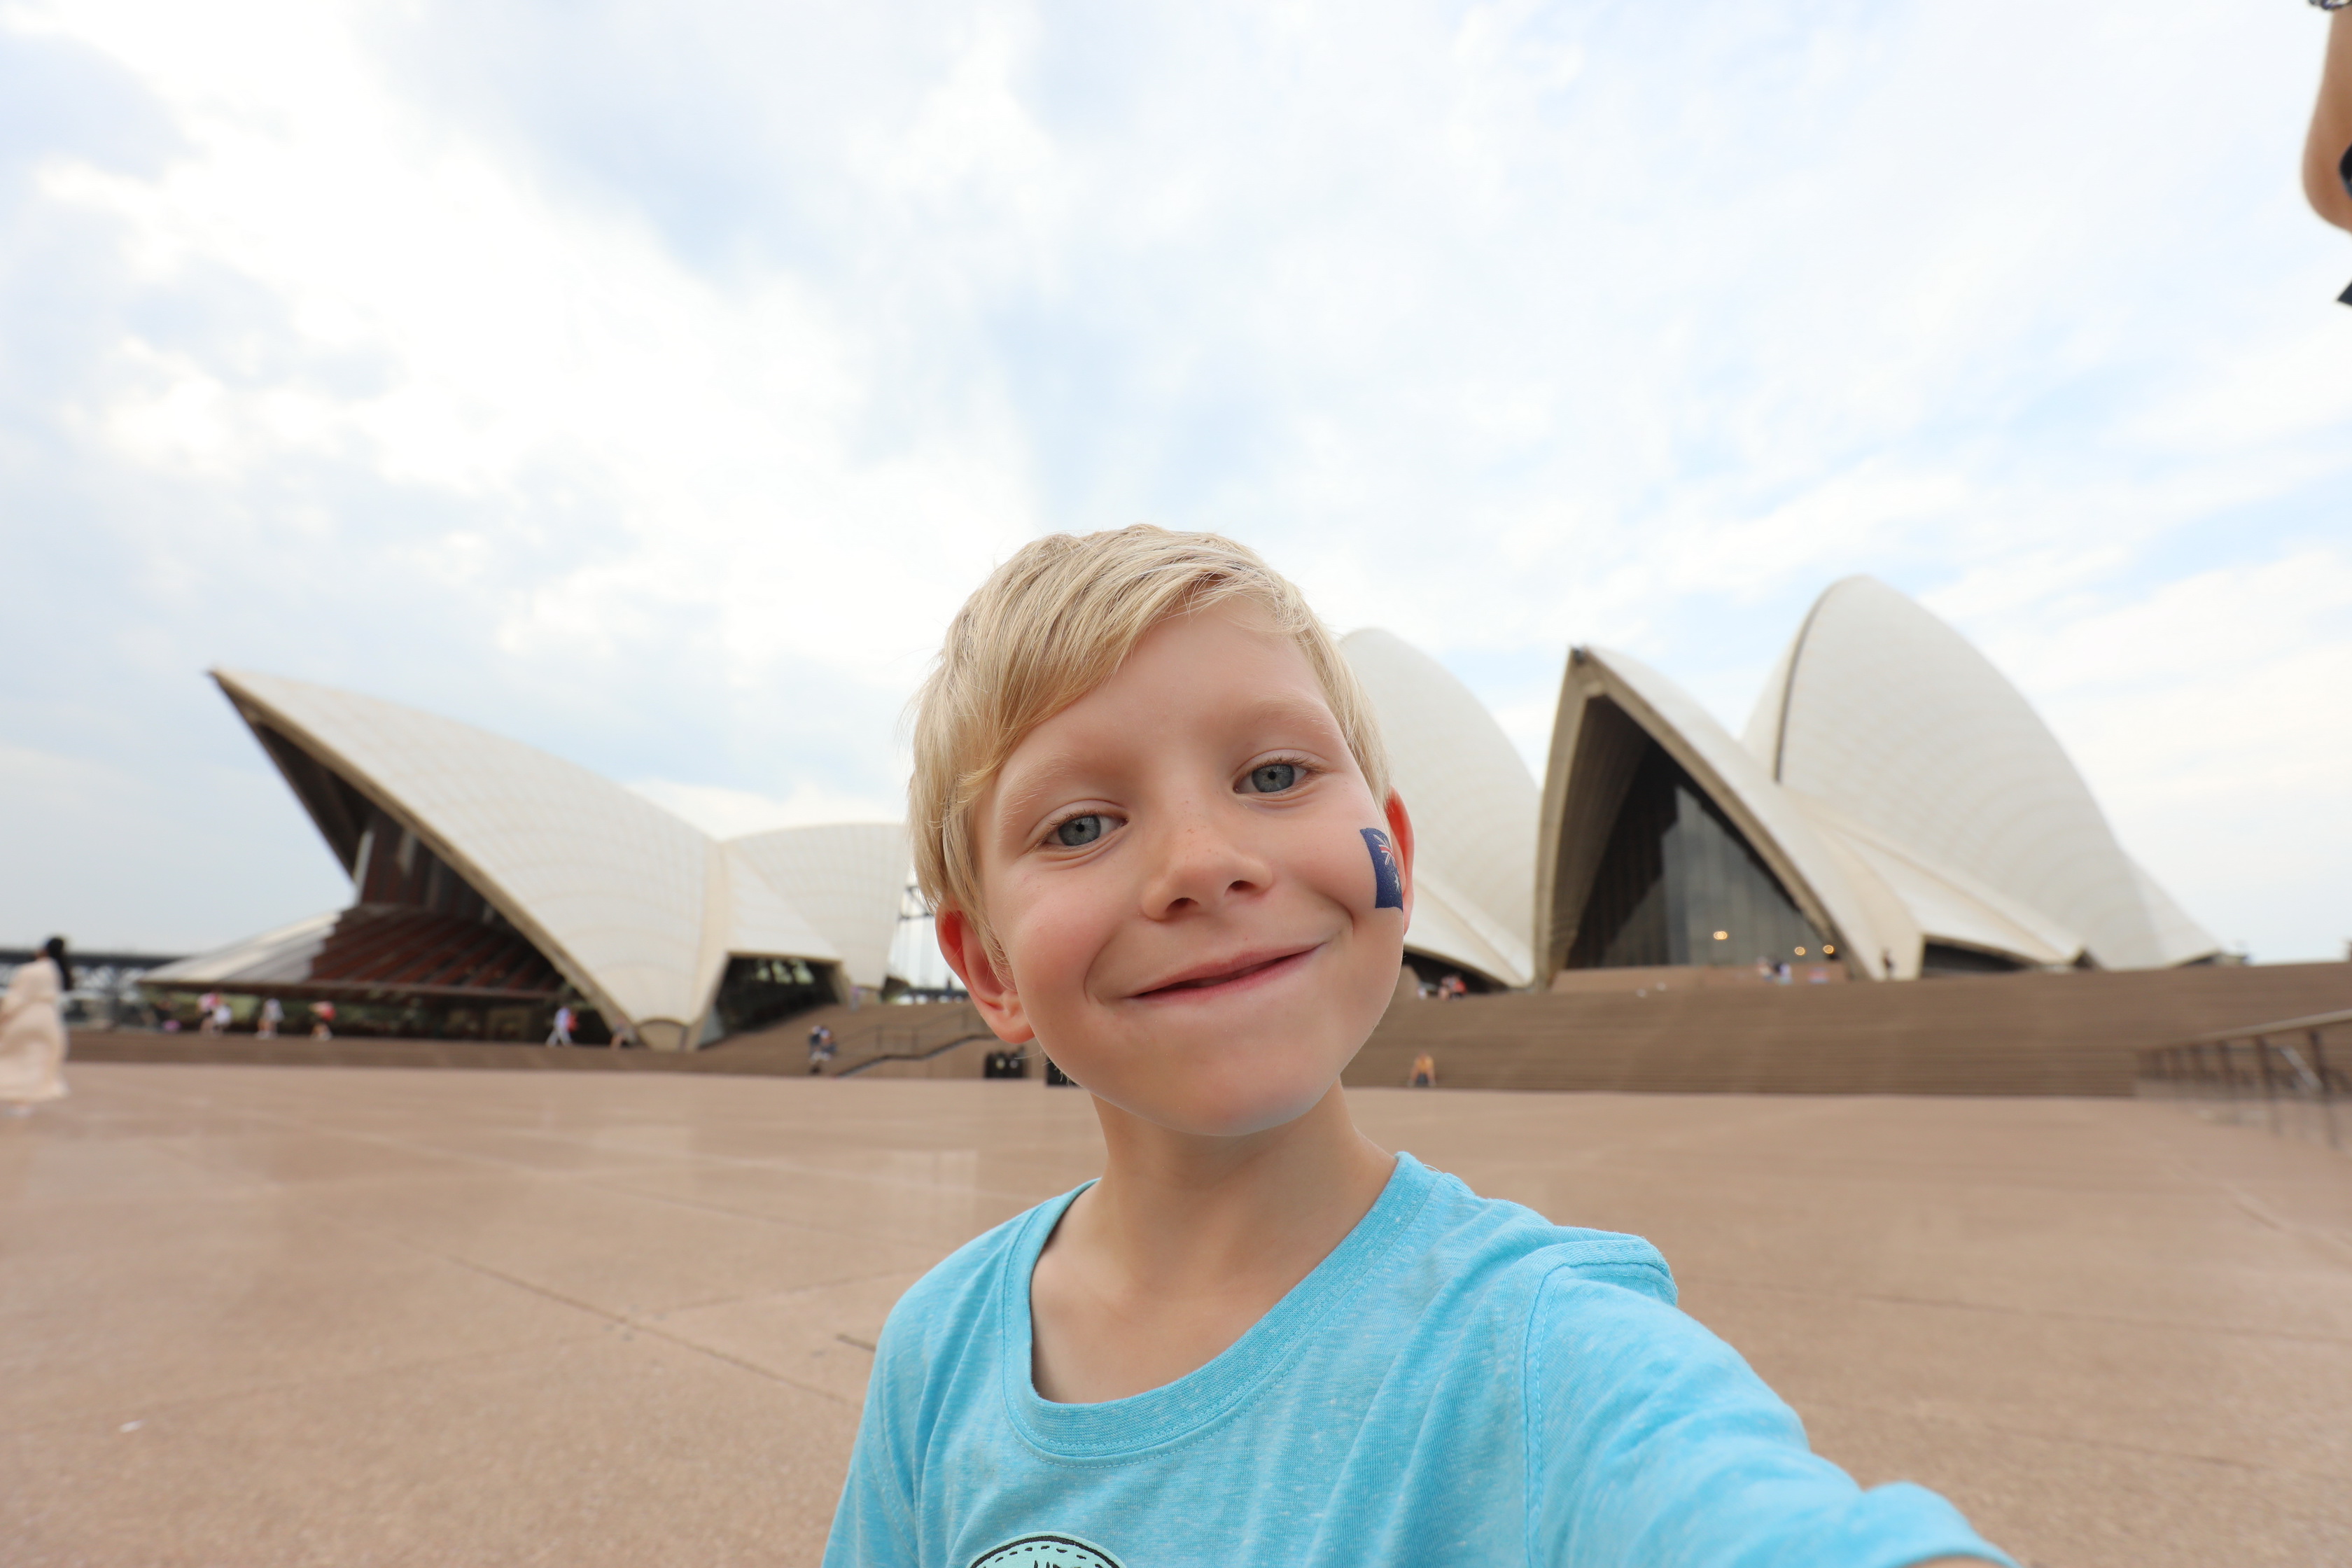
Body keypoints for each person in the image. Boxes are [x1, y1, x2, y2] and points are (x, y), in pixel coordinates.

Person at [822, 528, 2008, 1568]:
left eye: (1275, 774)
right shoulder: (940, 1350)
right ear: (984, 969)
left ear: (1393, 850)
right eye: (1081, 825)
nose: (1202, 862)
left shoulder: (1544, 1350)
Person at [0, 937, 74, 1111]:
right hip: (48, 1018)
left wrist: (4, 1016)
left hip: (25, 1016)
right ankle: (24, 1102)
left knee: (13, 1057)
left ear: (43, 951)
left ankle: (10, 1091)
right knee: (39, 1060)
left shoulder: (30, 970)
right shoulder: (60, 971)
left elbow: (17, 997)